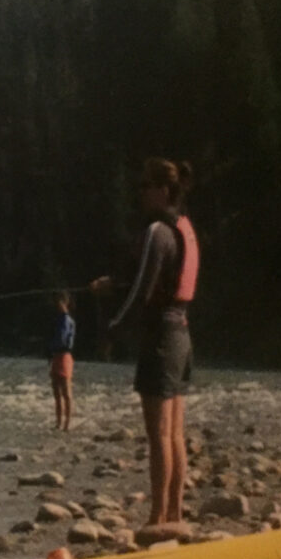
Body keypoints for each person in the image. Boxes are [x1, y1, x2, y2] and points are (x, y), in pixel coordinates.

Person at [91, 158, 199, 528]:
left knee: (159, 436)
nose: (139, 193)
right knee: (175, 433)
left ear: (163, 190)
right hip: (182, 334)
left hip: (161, 339)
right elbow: (152, 280)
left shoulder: (157, 231)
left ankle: (157, 519)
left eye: (145, 186)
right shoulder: (184, 227)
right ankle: (175, 512)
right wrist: (114, 284)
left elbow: (142, 291)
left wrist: (111, 330)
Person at [47, 290, 76, 431]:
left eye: (58, 302)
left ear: (64, 302)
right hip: (56, 356)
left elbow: (63, 339)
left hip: (64, 356)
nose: (56, 305)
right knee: (56, 393)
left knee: (66, 393)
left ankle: (67, 424)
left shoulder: (67, 320)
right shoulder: (57, 319)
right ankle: (58, 423)